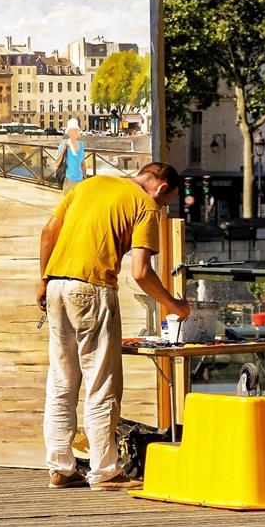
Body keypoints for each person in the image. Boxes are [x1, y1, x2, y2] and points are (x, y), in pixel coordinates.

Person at [37, 162, 191, 491]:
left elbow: (49, 231)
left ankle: (61, 466)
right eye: (167, 202)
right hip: (92, 289)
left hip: (56, 286)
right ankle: (106, 471)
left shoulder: (89, 186)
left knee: (62, 380)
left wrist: (43, 279)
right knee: (100, 383)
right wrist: (175, 306)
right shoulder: (145, 205)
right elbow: (140, 272)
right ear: (161, 188)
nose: (163, 209)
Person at [54, 118, 87, 191]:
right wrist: (64, 149)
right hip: (68, 179)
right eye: (72, 131)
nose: (74, 132)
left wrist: (85, 177)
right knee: (69, 201)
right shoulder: (64, 144)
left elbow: (82, 162)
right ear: (68, 132)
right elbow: (57, 162)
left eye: (76, 130)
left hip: (80, 180)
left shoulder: (81, 144)